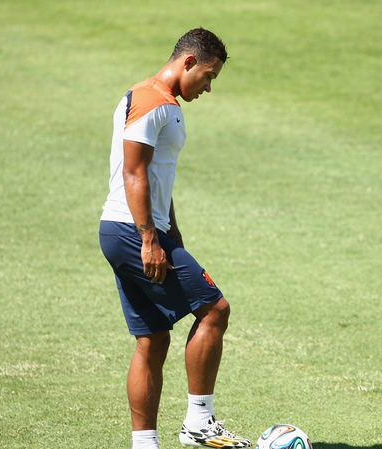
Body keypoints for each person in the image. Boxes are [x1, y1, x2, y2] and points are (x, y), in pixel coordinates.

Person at [98, 28, 252, 449]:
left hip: (129, 229)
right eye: (208, 76)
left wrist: (171, 234)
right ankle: (199, 422)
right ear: (188, 62)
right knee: (215, 310)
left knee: (152, 338)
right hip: (132, 230)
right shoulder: (152, 101)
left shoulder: (154, 100)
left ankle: (144, 444)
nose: (208, 87)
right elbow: (134, 172)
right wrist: (150, 239)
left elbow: (157, 177)